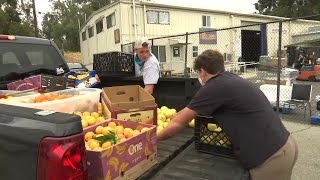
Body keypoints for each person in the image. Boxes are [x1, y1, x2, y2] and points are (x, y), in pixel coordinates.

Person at [157, 50, 299, 180]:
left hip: (270, 157)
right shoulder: (229, 79)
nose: (198, 77)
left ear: (203, 72)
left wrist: (152, 139)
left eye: (197, 73)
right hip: (284, 145)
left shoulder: (213, 87)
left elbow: (178, 123)